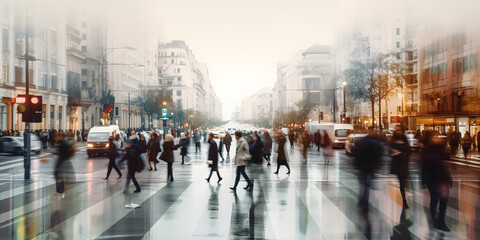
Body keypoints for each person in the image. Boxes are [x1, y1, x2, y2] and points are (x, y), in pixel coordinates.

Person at [421, 130, 452, 232]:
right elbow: (424, 165)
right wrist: (423, 180)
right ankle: (434, 219)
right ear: (430, 138)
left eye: (437, 136)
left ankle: (442, 221)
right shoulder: (426, 149)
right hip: (432, 178)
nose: (437, 138)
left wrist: (448, 177)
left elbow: (446, 161)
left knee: (444, 200)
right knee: (435, 199)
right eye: (435, 136)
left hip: (442, 177)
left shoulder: (441, 147)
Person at [354, 127, 383, 213]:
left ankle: (362, 202)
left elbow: (357, 154)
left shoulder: (363, 141)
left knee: (364, 186)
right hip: (370, 168)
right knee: (367, 187)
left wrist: (358, 166)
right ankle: (364, 203)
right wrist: (377, 166)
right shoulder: (375, 142)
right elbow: (378, 156)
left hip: (364, 167)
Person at [390, 126, 410, 209]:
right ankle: (404, 200)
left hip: (404, 163)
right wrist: (399, 152)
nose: (398, 131)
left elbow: (408, 150)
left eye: (399, 130)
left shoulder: (404, 138)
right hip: (397, 164)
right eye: (397, 129)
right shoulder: (393, 139)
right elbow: (390, 151)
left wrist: (400, 152)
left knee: (404, 183)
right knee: (402, 183)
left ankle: (404, 198)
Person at [54, 132, 76, 198]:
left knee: (59, 176)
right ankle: (60, 191)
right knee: (59, 176)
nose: (55, 137)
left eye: (57, 136)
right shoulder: (62, 143)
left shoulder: (62, 143)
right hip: (63, 161)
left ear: (61, 137)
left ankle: (60, 192)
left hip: (62, 162)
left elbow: (64, 152)